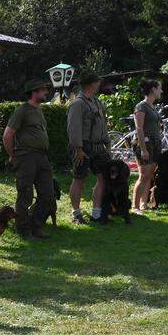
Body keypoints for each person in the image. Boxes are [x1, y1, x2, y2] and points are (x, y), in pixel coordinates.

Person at [4, 78, 55, 238]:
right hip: (26, 157)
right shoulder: (22, 110)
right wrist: (13, 156)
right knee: (25, 194)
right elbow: (8, 135)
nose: (46, 92)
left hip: (42, 157)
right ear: (34, 92)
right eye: (43, 90)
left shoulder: (39, 109)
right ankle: (24, 230)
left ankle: (36, 225)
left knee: (48, 194)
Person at [66, 70, 110, 223]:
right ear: (92, 84)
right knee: (79, 179)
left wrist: (107, 143)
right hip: (83, 147)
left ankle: (97, 213)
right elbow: (73, 128)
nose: (99, 84)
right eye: (97, 81)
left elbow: (102, 124)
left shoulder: (96, 102)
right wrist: (78, 149)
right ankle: (76, 213)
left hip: (98, 147)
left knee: (104, 178)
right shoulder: (78, 104)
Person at [131, 79, 164, 213]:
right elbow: (139, 128)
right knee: (143, 175)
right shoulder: (141, 106)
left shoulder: (152, 107)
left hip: (155, 143)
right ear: (153, 89)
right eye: (159, 88)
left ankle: (144, 204)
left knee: (149, 175)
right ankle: (135, 206)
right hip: (145, 143)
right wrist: (143, 149)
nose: (161, 91)